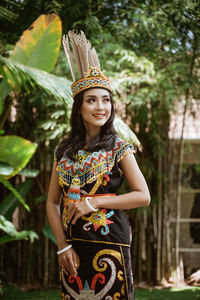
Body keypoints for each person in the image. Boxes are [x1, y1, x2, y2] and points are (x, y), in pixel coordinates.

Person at [46, 31, 150, 300]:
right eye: (91, 100)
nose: (100, 107)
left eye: (106, 100)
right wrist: (61, 246)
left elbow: (143, 196)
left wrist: (94, 202)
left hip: (111, 244)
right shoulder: (63, 151)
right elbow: (51, 203)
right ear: (79, 107)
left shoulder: (120, 148)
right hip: (72, 248)